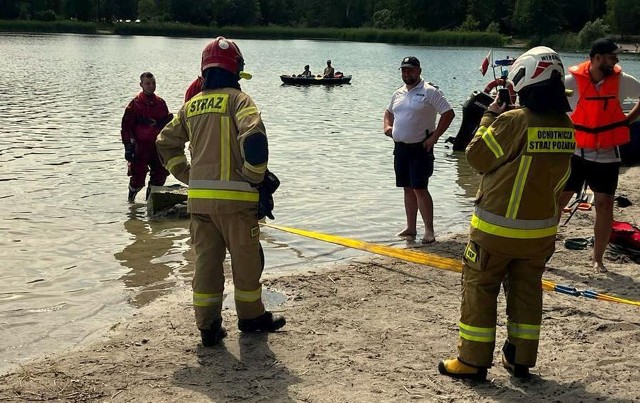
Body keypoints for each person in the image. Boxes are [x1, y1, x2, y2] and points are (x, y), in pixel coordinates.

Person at [438, 46, 576, 380]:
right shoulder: (566, 126)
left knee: (479, 289)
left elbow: (477, 157)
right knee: (527, 293)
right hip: (540, 233)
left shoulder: (514, 120)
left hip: (496, 231)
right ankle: (520, 359)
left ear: (526, 79)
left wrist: (489, 117)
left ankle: (471, 361)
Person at [156, 37, 286, 347]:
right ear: (236, 69)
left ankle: (209, 328)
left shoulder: (191, 106)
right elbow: (254, 139)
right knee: (247, 262)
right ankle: (251, 318)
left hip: (200, 203)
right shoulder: (238, 101)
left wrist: (187, 176)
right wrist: (256, 178)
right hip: (237, 203)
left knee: (206, 264)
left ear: (205, 70)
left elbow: (165, 142)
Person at [558, 38, 640, 273]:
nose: (616, 61)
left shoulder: (621, 81)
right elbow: (552, 106)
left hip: (606, 154)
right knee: (559, 202)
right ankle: (543, 250)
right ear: (596, 58)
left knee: (604, 205)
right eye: (612, 57)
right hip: (575, 152)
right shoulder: (571, 81)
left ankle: (597, 260)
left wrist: (627, 120)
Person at [383, 56, 455, 244]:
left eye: (411, 70)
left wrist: (435, 136)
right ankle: (411, 227)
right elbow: (388, 112)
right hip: (400, 148)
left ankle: (429, 231)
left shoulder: (429, 91)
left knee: (420, 188)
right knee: (407, 188)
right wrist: (387, 127)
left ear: (419, 71)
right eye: (404, 70)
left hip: (421, 148)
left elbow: (448, 113)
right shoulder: (398, 93)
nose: (407, 73)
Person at [121, 72, 172, 203]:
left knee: (160, 175)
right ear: (141, 85)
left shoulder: (161, 103)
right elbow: (126, 127)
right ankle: (131, 202)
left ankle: (150, 202)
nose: (151, 86)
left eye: (153, 83)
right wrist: (128, 146)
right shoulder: (135, 104)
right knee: (137, 178)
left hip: (157, 146)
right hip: (140, 147)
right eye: (148, 83)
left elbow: (168, 126)